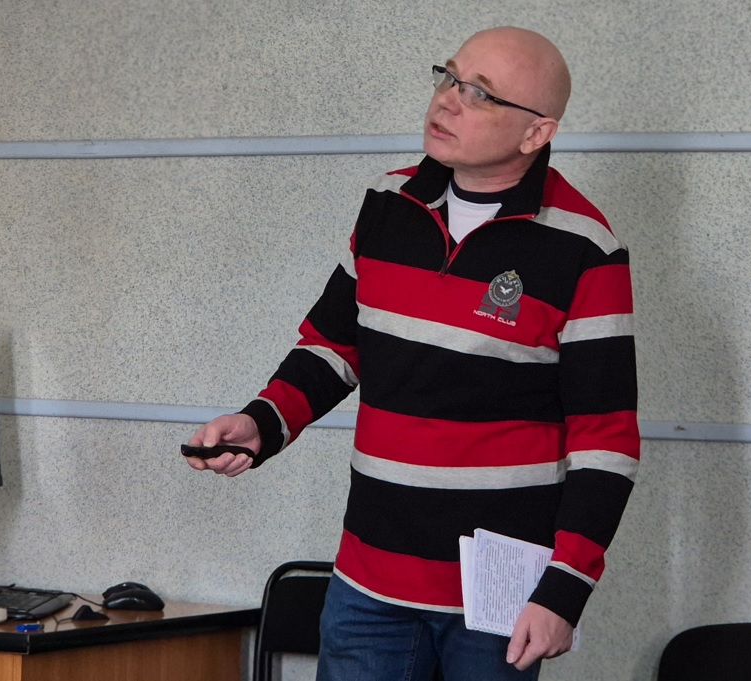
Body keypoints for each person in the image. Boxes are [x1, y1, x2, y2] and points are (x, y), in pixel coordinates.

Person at [186, 25, 639, 681]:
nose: (448, 100)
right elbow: (335, 345)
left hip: (497, 599)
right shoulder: (388, 203)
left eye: (480, 93)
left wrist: (564, 588)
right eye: (449, 77)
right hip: (369, 581)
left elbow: (606, 440)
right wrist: (262, 421)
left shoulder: (586, 247)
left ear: (536, 132)